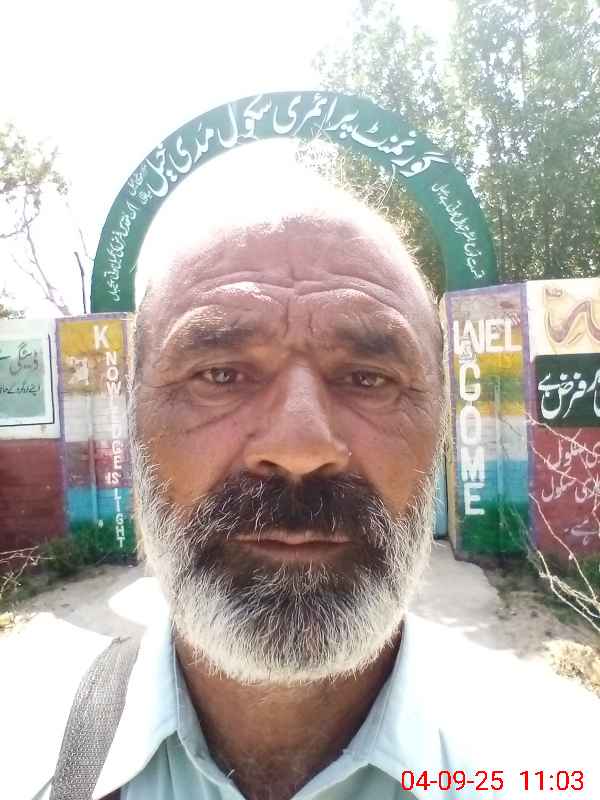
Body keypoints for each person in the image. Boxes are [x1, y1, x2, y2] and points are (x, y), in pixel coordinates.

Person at [9, 162, 599, 800]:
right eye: (219, 375)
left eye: (368, 378)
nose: (299, 450)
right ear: (135, 423)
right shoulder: (25, 760)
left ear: (441, 428)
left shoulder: (552, 767)